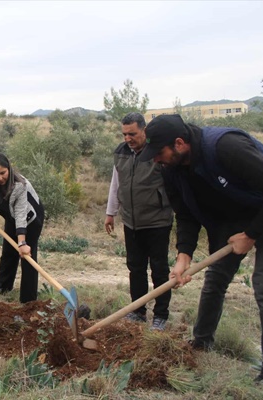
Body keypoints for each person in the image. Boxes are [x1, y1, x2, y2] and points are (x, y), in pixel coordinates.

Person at [140, 113, 263, 384]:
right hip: (232, 218)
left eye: (158, 152)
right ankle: (201, 343)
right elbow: (185, 213)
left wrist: (251, 235)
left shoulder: (226, 147)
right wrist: (183, 255)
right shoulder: (170, 168)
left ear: (179, 143)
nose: (155, 159)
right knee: (214, 280)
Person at [104, 113, 173, 331]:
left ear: (144, 130)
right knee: (135, 268)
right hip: (131, 222)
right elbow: (116, 184)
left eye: (132, 134)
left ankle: (161, 315)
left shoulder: (157, 152)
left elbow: (174, 184)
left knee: (160, 269)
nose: (127, 138)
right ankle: (138, 311)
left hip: (157, 221)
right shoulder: (121, 152)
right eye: (124, 134)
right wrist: (110, 212)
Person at [0, 153, 45, 303]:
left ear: (9, 169)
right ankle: (3, 290)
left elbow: (20, 215)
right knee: (8, 253)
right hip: (13, 218)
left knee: (27, 257)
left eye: (3, 173)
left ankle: (28, 300)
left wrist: (22, 243)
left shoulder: (20, 185)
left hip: (31, 219)